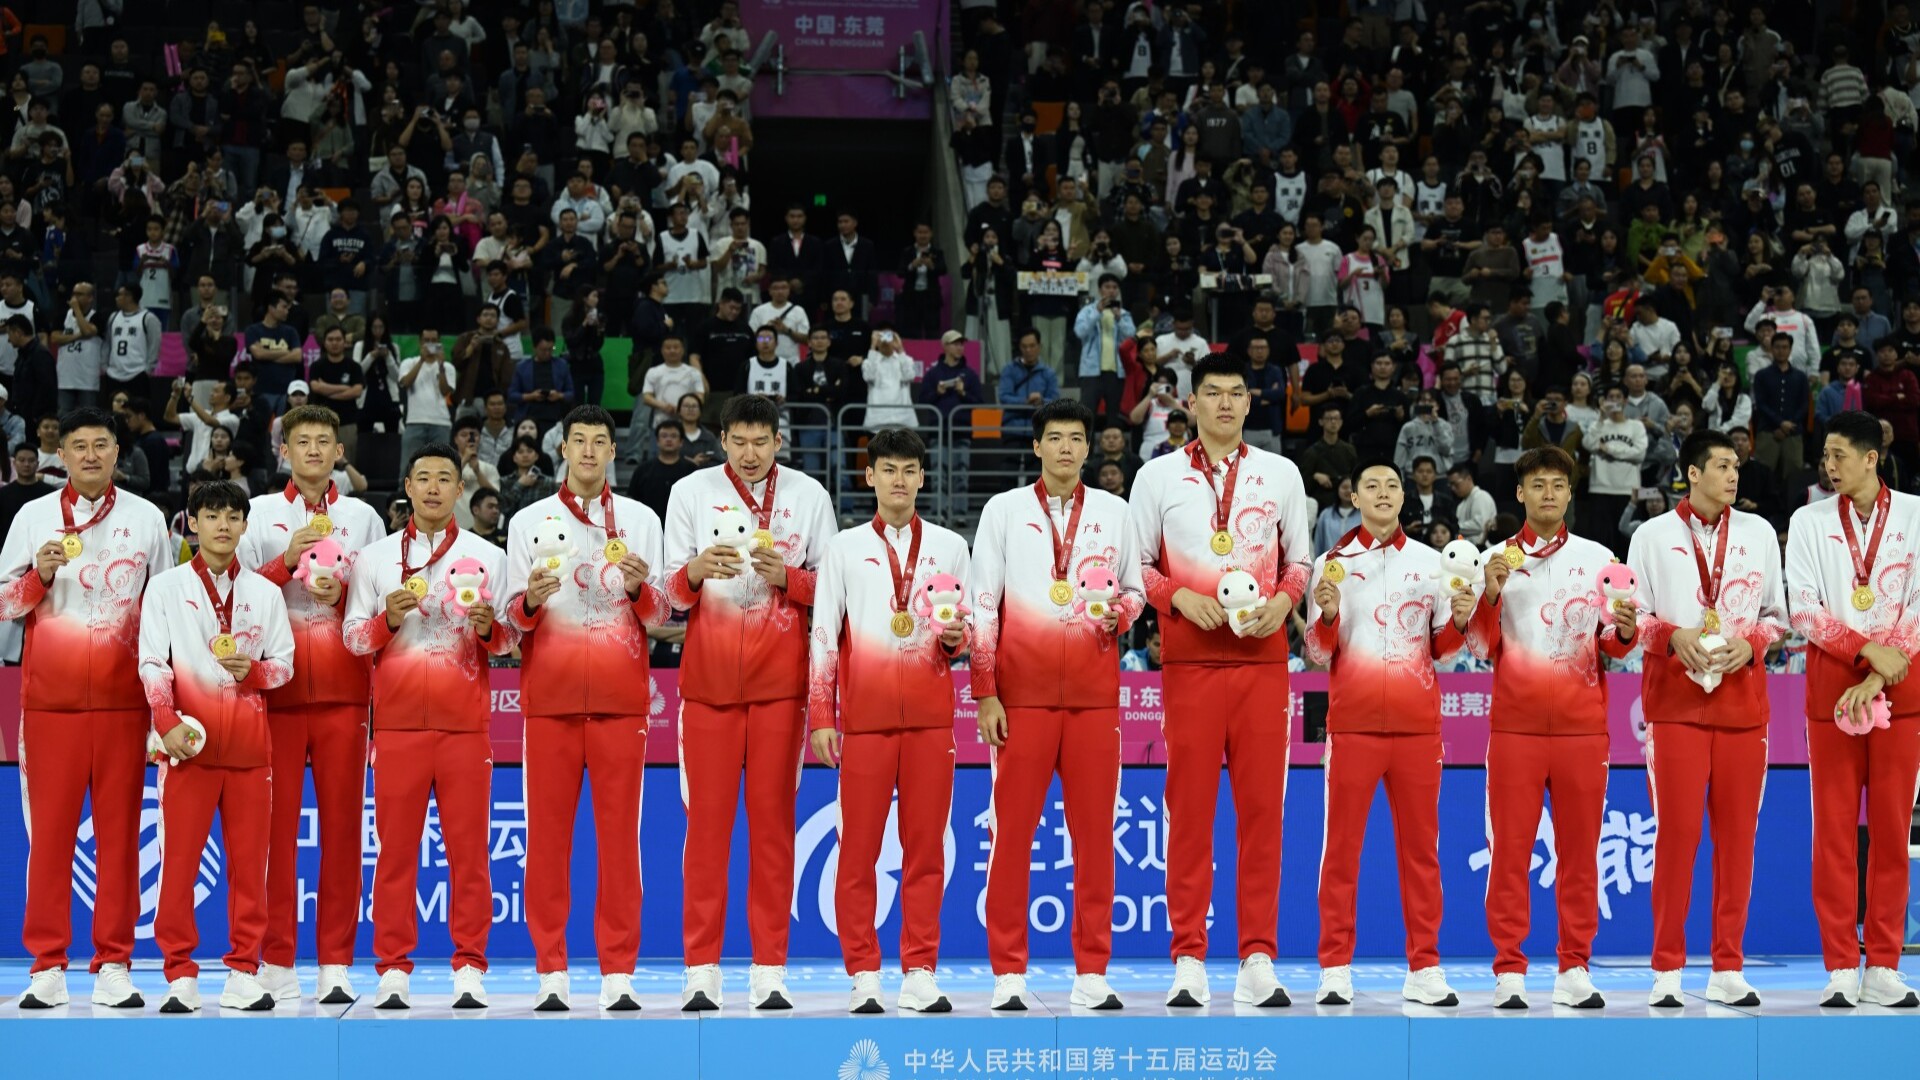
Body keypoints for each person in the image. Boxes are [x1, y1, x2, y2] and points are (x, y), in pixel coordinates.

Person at [1128, 353, 1312, 1007]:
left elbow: (1300, 563)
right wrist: (1178, 597)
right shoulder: (1156, 476)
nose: (1225, 403)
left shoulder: (1280, 473)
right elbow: (1135, 566)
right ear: (1192, 403)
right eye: (1213, 393)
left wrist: (1284, 604)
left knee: (1262, 813)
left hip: (1263, 665)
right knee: (1190, 814)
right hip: (1191, 665)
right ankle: (1188, 957)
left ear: (1249, 403)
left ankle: (1258, 956)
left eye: (1236, 393)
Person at [663, 393, 836, 1011]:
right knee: (706, 832)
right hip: (707, 690)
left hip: (781, 692)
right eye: (738, 441)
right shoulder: (689, 492)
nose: (750, 453)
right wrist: (694, 572)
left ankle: (769, 968)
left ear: (778, 442)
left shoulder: (809, 496)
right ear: (722, 440)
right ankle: (701, 969)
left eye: (761, 441)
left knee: (773, 831)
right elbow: (666, 597)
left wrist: (791, 577)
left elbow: (833, 592)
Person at [971, 399, 1144, 1012]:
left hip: (1095, 702)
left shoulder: (1116, 513)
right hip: (1022, 702)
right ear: (1037, 447)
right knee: (1012, 836)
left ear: (1088, 448)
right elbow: (982, 604)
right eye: (1055, 438)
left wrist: (1119, 615)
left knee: (1095, 839)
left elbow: (1136, 590)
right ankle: (1008, 973)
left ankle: (1092, 971)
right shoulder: (1003, 510)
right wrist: (986, 692)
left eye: (1076, 438)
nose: (1066, 448)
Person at [4, 407, 172, 1009]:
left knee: (121, 839)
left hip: (125, 708)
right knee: (49, 838)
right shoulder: (32, 517)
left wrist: (163, 707)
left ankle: (114, 964)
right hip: (52, 708)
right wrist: (39, 577)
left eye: (102, 444)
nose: (91, 455)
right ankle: (48, 965)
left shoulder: (147, 518)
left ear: (117, 452)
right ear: (62, 454)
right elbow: (5, 603)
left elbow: (164, 609)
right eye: (80, 446)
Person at [502, 405, 667, 1012]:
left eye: (601, 441)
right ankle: (552, 970)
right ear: (564, 448)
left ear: (614, 451)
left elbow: (663, 614)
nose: (590, 451)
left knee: (620, 844)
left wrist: (639, 589)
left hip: (622, 707)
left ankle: (618, 972)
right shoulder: (528, 521)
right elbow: (508, 625)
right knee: (547, 844)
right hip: (550, 705)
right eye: (580, 441)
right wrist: (529, 602)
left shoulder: (642, 520)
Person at [343, 442, 517, 1010]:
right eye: (424, 478)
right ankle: (393, 969)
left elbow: (509, 642)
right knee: (395, 854)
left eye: (446, 478)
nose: (435, 487)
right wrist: (388, 619)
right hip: (397, 730)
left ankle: (469, 966)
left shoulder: (488, 556)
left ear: (460, 489)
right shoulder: (374, 559)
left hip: (465, 729)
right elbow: (353, 639)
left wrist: (489, 629)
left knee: (470, 856)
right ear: (408, 487)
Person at [1468, 446, 1637, 1009]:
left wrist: (1626, 629)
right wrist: (1491, 594)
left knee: (1581, 854)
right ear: (1520, 493)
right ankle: (1509, 970)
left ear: (1569, 493)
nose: (1547, 493)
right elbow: (1478, 646)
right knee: (1509, 854)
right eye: (1537, 484)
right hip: (1514, 732)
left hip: (1582, 732)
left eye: (1557, 485)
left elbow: (1612, 643)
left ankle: (1574, 967)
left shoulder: (1598, 558)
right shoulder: (1494, 559)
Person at [807, 427, 969, 1014]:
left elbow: (966, 629)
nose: (899, 481)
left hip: (930, 722)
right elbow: (824, 634)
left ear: (923, 477)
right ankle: (863, 973)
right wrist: (821, 715)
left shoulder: (951, 546)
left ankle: (920, 969)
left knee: (926, 852)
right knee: (858, 852)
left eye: (909, 470)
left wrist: (956, 639)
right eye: (888, 470)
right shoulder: (844, 548)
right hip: (865, 723)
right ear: (869, 476)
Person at [1625, 429, 1788, 1008]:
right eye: (1721, 466)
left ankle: (1727, 967)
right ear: (1692, 474)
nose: (1733, 475)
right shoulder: (1651, 536)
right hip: (1675, 708)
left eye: (1736, 465)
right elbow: (1631, 620)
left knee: (1737, 842)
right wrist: (1674, 636)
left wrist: (1753, 643)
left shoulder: (1759, 533)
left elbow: (1777, 617)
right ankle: (1667, 969)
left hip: (1744, 708)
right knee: (1676, 838)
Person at [235, 403, 386, 1005]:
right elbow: (236, 595)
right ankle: (276, 959)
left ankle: (336, 963)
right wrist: (284, 562)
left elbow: (378, 601)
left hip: (344, 696)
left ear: (339, 451)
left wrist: (344, 587)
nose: (315, 451)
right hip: (274, 694)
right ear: (286, 451)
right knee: (272, 835)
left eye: (325, 441)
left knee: (344, 832)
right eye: (304, 442)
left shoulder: (363, 518)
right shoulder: (258, 514)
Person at [1303, 459, 1467, 1007]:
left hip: (1418, 730)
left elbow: (1443, 650)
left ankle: (1424, 966)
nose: (1382, 493)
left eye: (1391, 485)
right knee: (1341, 851)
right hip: (1352, 729)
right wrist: (1327, 616)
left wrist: (1460, 620)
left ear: (1403, 495)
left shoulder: (1431, 562)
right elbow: (1316, 650)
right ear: (1354, 496)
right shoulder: (1330, 564)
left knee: (1422, 853)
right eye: (1370, 485)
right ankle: (1335, 967)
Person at [137, 480, 294, 1013]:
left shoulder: (265, 593)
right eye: (211, 515)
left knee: (251, 869)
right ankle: (179, 973)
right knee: (178, 865)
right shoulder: (165, 588)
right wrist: (165, 721)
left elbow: (284, 666)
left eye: (232, 516)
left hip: (250, 754)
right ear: (192, 523)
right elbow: (152, 662)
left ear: (245, 525)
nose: (222, 525)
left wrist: (255, 672)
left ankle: (244, 970)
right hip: (188, 748)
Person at [1784, 411, 1920, 1008]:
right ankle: (1840, 963)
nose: (1829, 465)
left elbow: (1919, 604)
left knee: (1891, 834)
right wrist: (1867, 655)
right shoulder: (1809, 520)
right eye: (1826, 455)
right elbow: (1803, 609)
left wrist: (1884, 669)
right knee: (1834, 836)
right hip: (1833, 696)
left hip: (1903, 694)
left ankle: (1883, 965)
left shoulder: (1916, 515)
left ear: (1872, 457)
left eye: (1839, 455)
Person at [399, 328, 455, 466]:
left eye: (434, 341)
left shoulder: (447, 367)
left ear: (439, 343)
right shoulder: (409, 363)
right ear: (420, 342)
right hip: (414, 421)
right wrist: (421, 360)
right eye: (426, 341)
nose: (430, 344)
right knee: (409, 467)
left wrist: (441, 366)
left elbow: (445, 392)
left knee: (441, 467)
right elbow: (405, 383)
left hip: (441, 423)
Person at [1447, 462, 1496, 545]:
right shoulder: (1461, 505)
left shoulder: (1481, 496)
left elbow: (1480, 525)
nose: (1453, 488)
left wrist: (1457, 527)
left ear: (1469, 479)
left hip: (1484, 547)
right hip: (1468, 547)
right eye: (1450, 485)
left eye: (1456, 484)